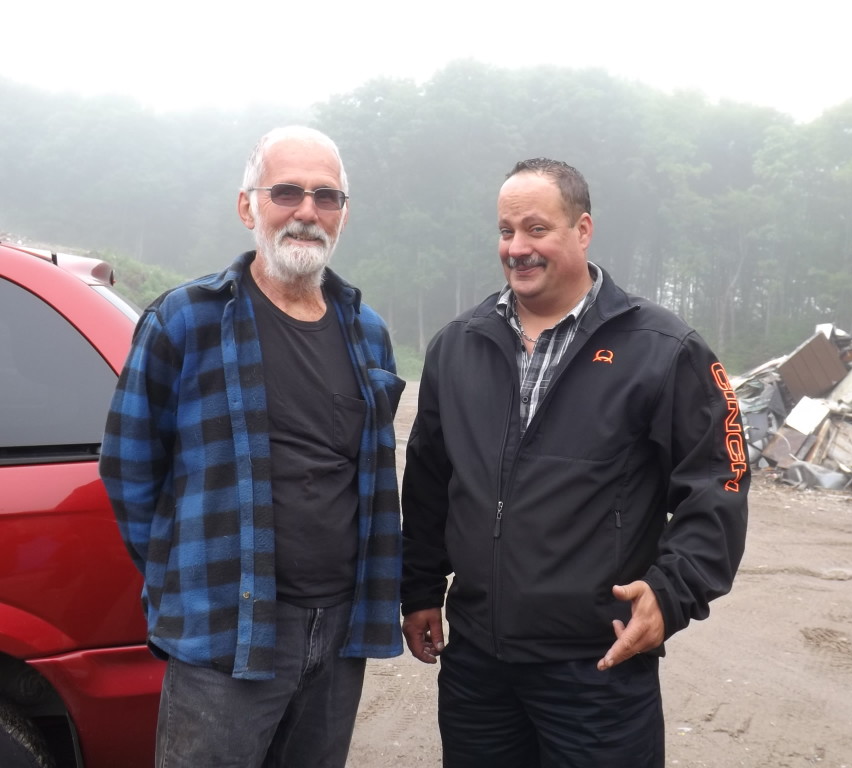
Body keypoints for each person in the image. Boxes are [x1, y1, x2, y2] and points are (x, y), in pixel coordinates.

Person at [400, 158, 749, 767]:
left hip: (597, 666)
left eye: (537, 229)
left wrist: (670, 595)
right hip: (478, 665)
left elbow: (718, 481)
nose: (517, 248)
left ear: (582, 230)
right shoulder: (458, 345)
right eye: (506, 231)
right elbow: (430, 476)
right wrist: (421, 588)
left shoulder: (663, 349)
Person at [99, 125, 405, 767]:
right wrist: (178, 578)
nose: (306, 212)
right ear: (248, 207)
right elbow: (129, 467)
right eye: (287, 191)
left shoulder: (367, 332)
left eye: (327, 197)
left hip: (338, 632)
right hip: (223, 632)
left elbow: (368, 477)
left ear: (343, 215)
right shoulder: (186, 320)